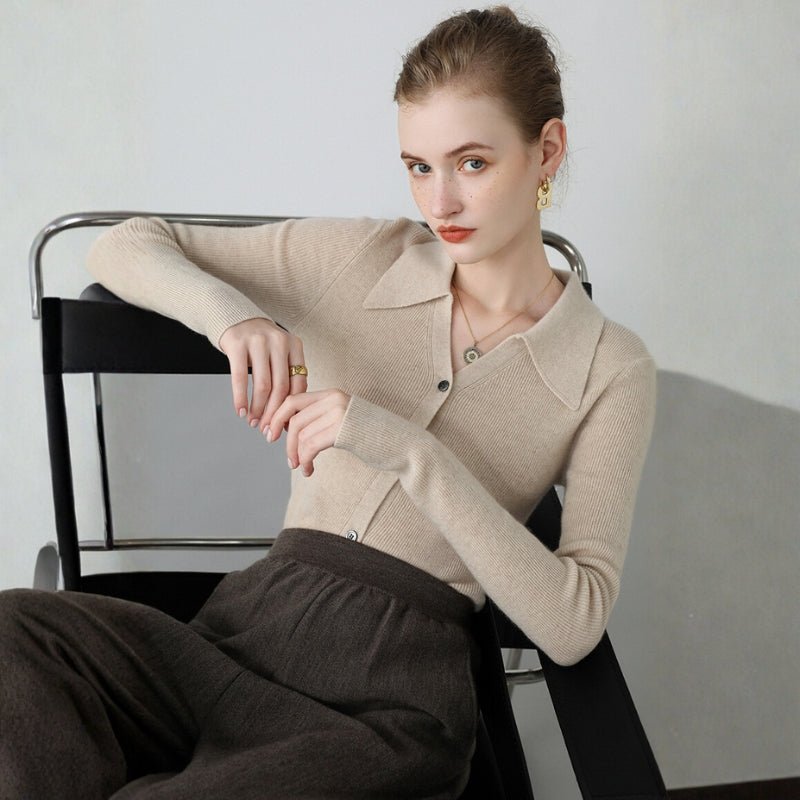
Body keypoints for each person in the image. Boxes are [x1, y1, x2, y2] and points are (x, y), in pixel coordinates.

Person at [0, 6, 656, 799]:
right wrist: (233, 318)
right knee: (15, 633)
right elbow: (125, 243)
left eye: (472, 163)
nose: (440, 202)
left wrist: (407, 451)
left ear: (546, 149)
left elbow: (574, 623)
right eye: (418, 166)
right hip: (234, 640)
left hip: (390, 704)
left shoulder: (609, 366)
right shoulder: (365, 258)